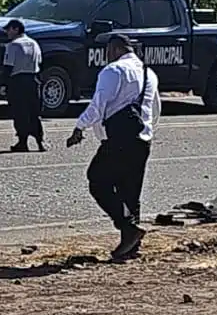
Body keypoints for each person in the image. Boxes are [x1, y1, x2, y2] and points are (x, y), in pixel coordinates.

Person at [66, 34, 160, 260]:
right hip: (142, 139)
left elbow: (99, 104)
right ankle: (131, 246)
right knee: (131, 190)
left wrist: (80, 127)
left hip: (119, 140)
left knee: (97, 180)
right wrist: (146, 131)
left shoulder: (113, 71)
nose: (106, 56)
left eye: (108, 51)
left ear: (115, 49)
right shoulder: (149, 73)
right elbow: (155, 109)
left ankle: (128, 228)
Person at [1, 18, 45, 152]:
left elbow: (8, 67)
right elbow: (40, 63)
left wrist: (4, 84)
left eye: (8, 29)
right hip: (33, 80)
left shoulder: (13, 45)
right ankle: (40, 141)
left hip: (18, 81)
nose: (7, 33)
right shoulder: (34, 44)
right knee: (33, 112)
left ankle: (22, 141)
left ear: (15, 29)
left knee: (20, 112)